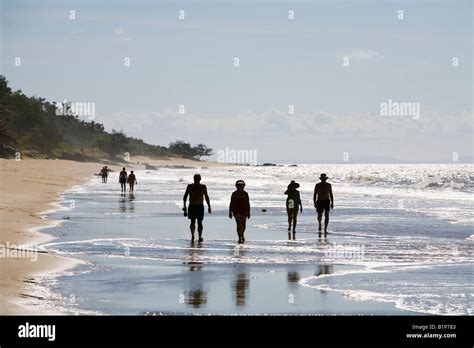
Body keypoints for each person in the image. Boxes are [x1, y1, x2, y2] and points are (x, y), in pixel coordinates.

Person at [183, 174, 211, 242]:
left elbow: (206, 197)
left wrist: (209, 206)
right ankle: (192, 236)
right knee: (192, 222)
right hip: (192, 206)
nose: (196, 179)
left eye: (198, 178)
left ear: (200, 179)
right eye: (195, 178)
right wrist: (185, 208)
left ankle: (200, 236)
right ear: (193, 179)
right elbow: (185, 197)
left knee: (200, 222)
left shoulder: (203, 187)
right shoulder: (190, 186)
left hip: (200, 206)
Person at [229, 180, 250, 244]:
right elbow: (231, 203)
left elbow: (248, 203)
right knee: (239, 223)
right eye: (239, 185)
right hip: (236, 210)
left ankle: (242, 234)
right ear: (236, 186)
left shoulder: (245, 194)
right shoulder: (234, 194)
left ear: (244, 186)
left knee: (243, 225)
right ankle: (239, 237)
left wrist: (249, 212)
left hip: (244, 210)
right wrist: (230, 212)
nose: (240, 187)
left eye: (241, 185)